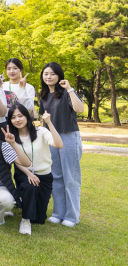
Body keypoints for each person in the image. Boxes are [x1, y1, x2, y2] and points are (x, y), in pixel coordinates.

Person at [39, 62, 85, 228]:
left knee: (70, 178)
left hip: (69, 137)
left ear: (59, 75)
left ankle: (72, 216)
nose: (49, 77)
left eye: (52, 74)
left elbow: (80, 109)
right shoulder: (42, 96)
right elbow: (44, 120)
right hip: (51, 139)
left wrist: (70, 89)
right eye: (46, 74)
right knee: (56, 177)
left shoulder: (67, 92)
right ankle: (58, 213)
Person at [7, 104, 63, 235]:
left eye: (20, 116)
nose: (17, 120)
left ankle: (25, 201)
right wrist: (29, 174)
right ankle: (25, 220)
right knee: (30, 186)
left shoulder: (41, 132)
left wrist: (49, 123)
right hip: (24, 174)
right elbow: (17, 161)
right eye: (13, 117)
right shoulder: (11, 138)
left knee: (39, 219)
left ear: (27, 116)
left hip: (45, 175)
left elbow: (59, 144)